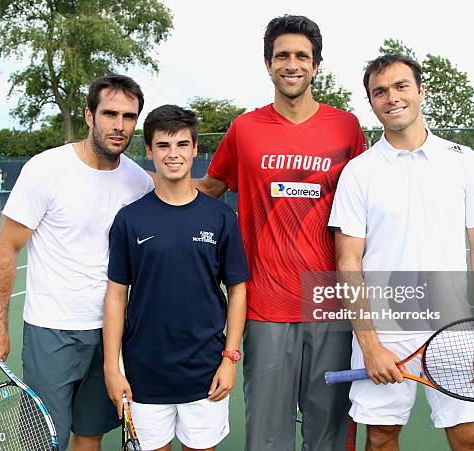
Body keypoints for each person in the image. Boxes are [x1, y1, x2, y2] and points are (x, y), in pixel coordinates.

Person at [193, 15, 366, 451]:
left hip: (329, 305)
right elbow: (207, 191)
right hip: (264, 306)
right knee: (268, 438)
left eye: (301, 56)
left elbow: (370, 205)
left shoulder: (346, 127)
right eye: (282, 55)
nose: (292, 64)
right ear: (268, 64)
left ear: (316, 65)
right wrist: (144, 185)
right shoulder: (244, 130)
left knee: (328, 435)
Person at [329, 54, 474, 450]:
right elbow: (348, 261)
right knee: (381, 439)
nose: (392, 98)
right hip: (385, 329)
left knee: (472, 438)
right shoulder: (358, 172)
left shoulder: (464, 162)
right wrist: (370, 345)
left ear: (421, 91)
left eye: (401, 86)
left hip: (455, 326)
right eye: (380, 92)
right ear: (371, 103)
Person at [0, 74, 154, 451]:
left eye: (128, 116)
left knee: (89, 434)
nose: (119, 125)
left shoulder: (138, 183)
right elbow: (6, 250)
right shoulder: (46, 169)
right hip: (51, 330)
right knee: (45, 440)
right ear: (89, 116)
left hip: (109, 333)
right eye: (109, 113)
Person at [103, 105, 249, 451]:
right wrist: (112, 366)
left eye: (182, 144)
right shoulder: (129, 219)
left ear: (195, 149)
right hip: (144, 372)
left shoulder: (221, 217)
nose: (173, 154)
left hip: (205, 371)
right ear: (149, 151)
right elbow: (115, 295)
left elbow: (238, 290)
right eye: (163, 146)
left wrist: (230, 358)